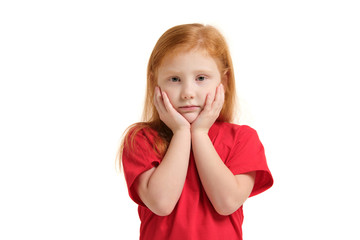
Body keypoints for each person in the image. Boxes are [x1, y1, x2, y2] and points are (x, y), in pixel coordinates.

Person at [119, 23, 273, 240]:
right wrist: (182, 132)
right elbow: (161, 203)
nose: (188, 93)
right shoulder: (141, 139)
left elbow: (227, 202)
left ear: (224, 81)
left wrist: (199, 134)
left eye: (201, 78)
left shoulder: (242, 139)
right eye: (174, 79)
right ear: (155, 83)